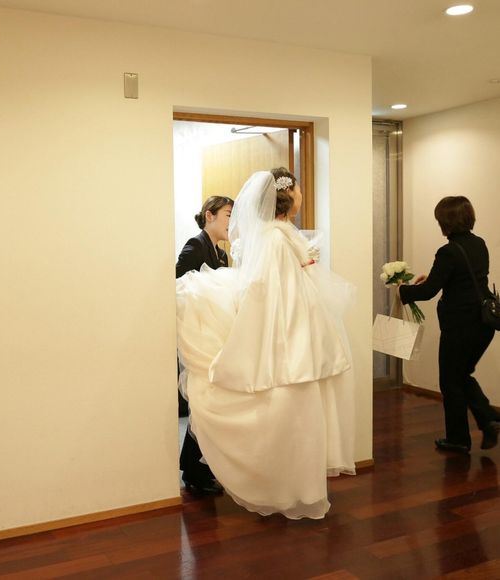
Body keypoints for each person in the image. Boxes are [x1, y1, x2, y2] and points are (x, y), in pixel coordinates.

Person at [176, 169, 356, 519]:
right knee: (290, 414)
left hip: (300, 332)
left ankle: (298, 488)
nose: (302, 194)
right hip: (289, 335)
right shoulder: (275, 239)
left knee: (300, 416)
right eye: (299, 190)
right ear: (288, 196)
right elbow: (267, 288)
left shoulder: (281, 235)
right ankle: (286, 490)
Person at [399, 196, 499, 453]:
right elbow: (463, 280)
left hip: (461, 326)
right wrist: (432, 279)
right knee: (461, 375)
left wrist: (402, 291)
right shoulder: (479, 244)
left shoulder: (449, 251)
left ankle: (460, 438)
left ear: (446, 222)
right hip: (484, 323)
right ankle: (489, 419)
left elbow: (429, 291)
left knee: (450, 381)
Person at [176, 195, 234, 494]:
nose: (231, 222)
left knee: (209, 402)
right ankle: (194, 471)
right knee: (202, 401)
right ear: (209, 216)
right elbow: (177, 285)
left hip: (215, 336)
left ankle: (198, 466)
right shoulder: (194, 246)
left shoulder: (222, 255)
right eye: (228, 215)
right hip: (198, 337)